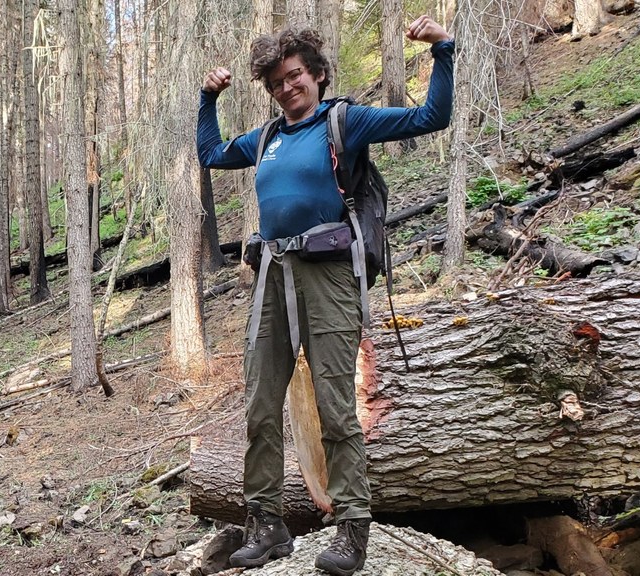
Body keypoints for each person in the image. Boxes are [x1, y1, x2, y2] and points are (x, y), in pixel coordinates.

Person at [197, 15, 454, 576]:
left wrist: (443, 50)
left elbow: (432, 117)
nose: (286, 88)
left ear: (314, 73)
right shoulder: (265, 138)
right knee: (261, 404)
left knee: (336, 406)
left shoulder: (344, 121)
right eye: (275, 84)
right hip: (272, 276)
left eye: (294, 76)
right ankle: (266, 524)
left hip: (329, 276)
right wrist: (207, 98)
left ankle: (351, 528)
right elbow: (212, 154)